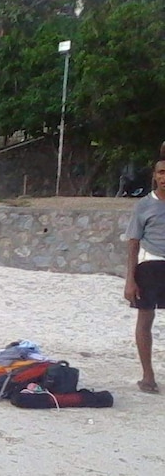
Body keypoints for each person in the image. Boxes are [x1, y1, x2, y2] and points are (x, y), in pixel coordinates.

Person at [124, 154, 165, 394]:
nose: (164, 178)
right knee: (145, 320)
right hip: (150, 266)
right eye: (161, 173)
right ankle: (148, 376)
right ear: (154, 176)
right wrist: (130, 280)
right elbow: (133, 243)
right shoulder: (144, 206)